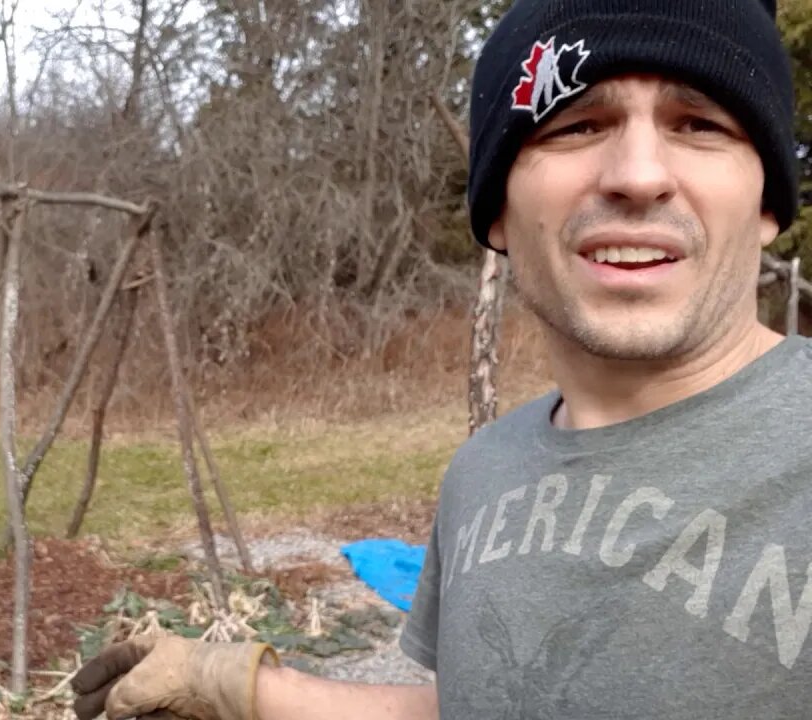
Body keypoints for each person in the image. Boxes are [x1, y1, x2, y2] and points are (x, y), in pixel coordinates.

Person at [69, 0, 812, 717]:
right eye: (578, 124)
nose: (639, 173)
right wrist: (233, 686)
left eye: (700, 124)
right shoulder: (483, 471)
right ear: (497, 210)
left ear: (768, 202)